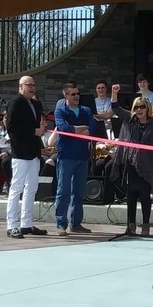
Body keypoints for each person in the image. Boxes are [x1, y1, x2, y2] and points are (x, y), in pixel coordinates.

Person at [110, 84, 153, 237]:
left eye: (142, 107)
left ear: (147, 108)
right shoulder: (130, 119)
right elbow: (115, 108)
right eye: (136, 107)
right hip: (131, 163)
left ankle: (146, 226)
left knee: (145, 196)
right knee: (131, 196)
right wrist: (114, 93)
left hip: (147, 164)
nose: (139, 110)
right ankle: (131, 226)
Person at [54, 82, 98, 236]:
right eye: (73, 94)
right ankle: (61, 223)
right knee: (63, 191)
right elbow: (63, 128)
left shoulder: (86, 110)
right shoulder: (61, 110)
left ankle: (76, 223)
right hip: (66, 156)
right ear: (66, 95)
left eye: (78, 94)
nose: (76, 96)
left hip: (82, 156)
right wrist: (81, 129)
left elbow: (92, 129)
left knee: (78, 192)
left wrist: (75, 129)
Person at [5, 76, 46, 239]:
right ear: (20, 87)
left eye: (33, 85)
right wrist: (33, 131)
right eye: (28, 85)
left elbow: (38, 126)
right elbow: (12, 127)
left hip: (34, 152)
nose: (32, 87)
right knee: (17, 187)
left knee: (32, 188)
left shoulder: (36, 104)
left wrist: (40, 131)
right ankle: (12, 224)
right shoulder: (15, 103)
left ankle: (26, 223)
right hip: (20, 152)